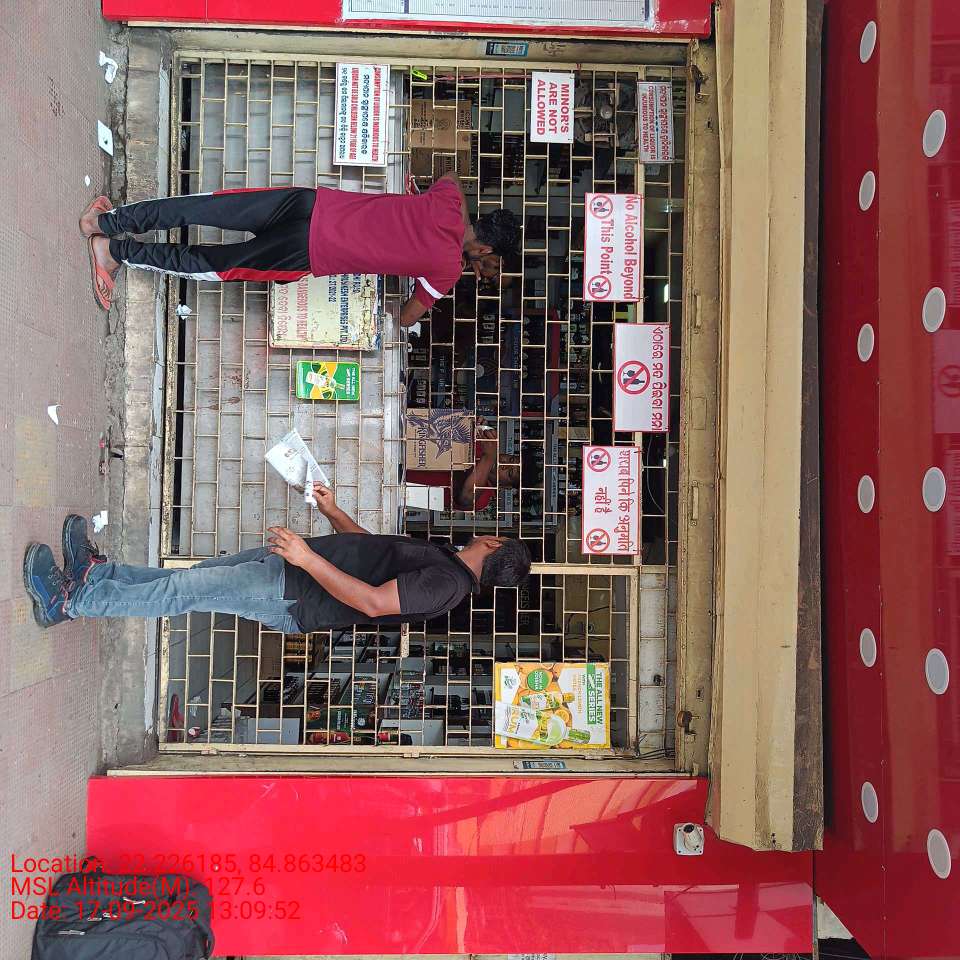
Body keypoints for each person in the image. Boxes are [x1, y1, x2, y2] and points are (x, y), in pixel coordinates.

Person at [22, 486, 531, 633]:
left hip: (294, 592)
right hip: (293, 570)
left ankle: (72, 602)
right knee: (194, 578)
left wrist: (307, 560)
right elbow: (371, 552)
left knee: (184, 592)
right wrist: (334, 512)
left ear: (494, 546)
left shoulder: (447, 587)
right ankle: (97, 576)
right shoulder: (446, 561)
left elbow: (374, 602)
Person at [79, 176, 522, 323]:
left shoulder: (448, 199)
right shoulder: (446, 269)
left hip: (310, 203)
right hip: (308, 251)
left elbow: (453, 180)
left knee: (206, 207)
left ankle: (104, 221)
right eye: (489, 261)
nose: (485, 269)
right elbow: (407, 317)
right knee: (214, 264)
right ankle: (114, 253)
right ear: (485, 246)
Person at [407, 421, 520, 511]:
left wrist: (489, 457)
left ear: (506, 486)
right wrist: (475, 423)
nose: (504, 465)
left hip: (402, 485)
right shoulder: (482, 444)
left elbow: (466, 497)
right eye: (510, 459)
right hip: (404, 450)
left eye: (510, 473)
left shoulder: (483, 498)